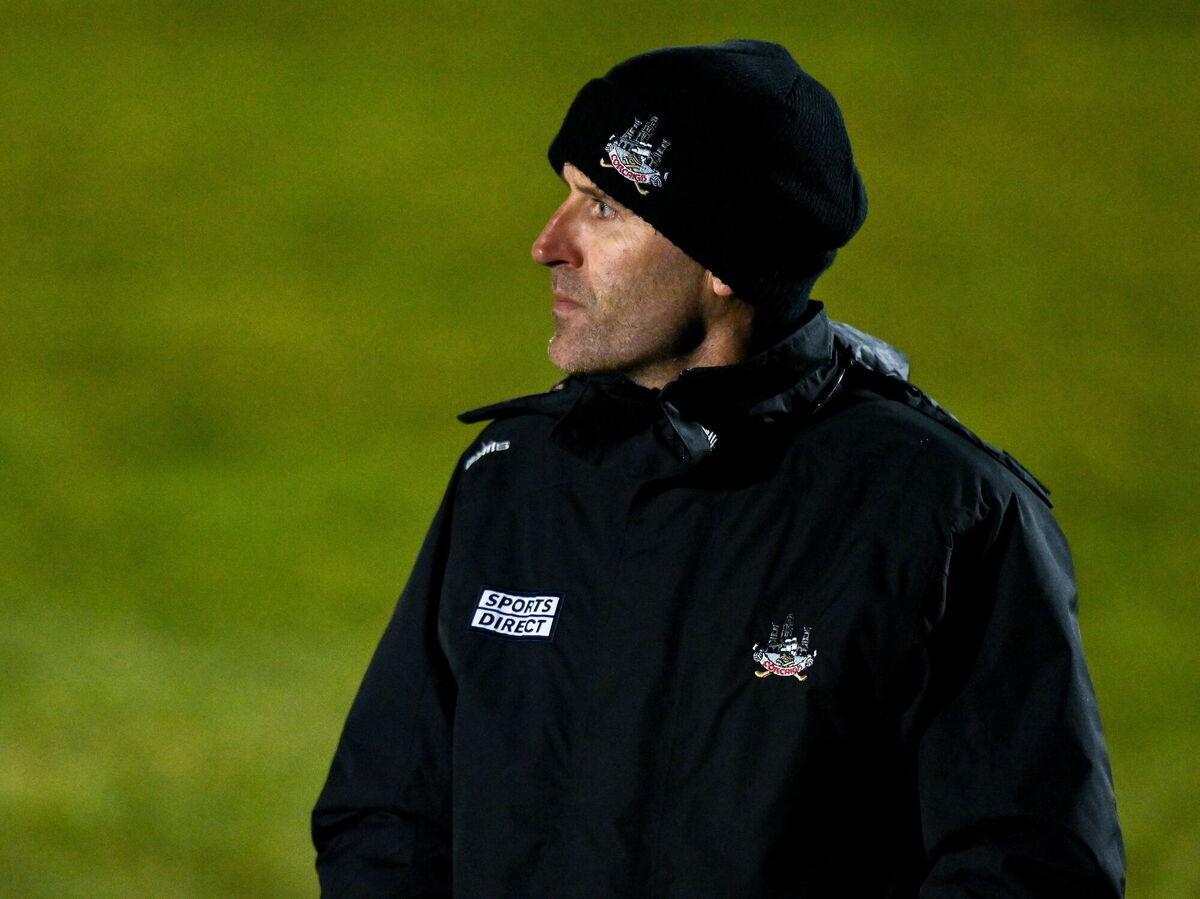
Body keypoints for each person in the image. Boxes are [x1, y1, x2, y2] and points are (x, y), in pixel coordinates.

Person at [312, 40, 1124, 897]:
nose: (547, 245)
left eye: (604, 208)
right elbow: (386, 812)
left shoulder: (943, 513)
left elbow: (1029, 868)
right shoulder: (513, 475)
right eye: (567, 196)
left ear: (725, 261)